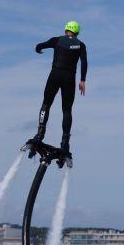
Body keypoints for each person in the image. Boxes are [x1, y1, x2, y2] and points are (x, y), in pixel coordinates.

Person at [32, 20, 87, 154]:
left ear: (66, 29)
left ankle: (40, 133)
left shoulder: (56, 40)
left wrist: (38, 48)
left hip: (55, 75)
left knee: (46, 104)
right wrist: (82, 80)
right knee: (67, 110)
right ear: (77, 32)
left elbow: (40, 45)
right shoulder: (81, 45)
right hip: (69, 78)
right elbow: (84, 62)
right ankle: (65, 142)